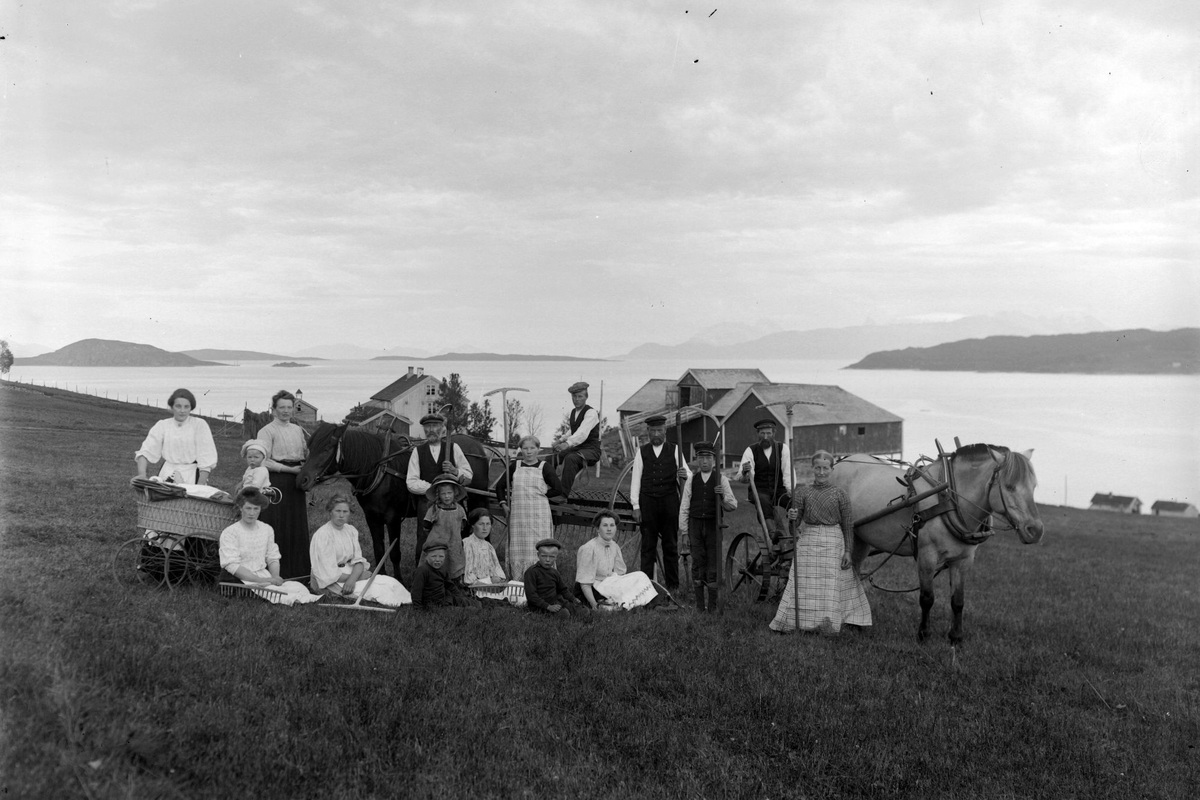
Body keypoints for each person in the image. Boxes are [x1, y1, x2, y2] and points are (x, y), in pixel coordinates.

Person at [770, 451, 872, 634]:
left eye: (825, 468)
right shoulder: (802, 493)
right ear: (812, 469)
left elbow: (848, 525)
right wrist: (792, 518)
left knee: (835, 583)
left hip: (834, 541)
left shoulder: (841, 495)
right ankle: (798, 621)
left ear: (832, 470)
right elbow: (794, 529)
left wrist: (848, 551)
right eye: (818, 468)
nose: (821, 472)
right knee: (803, 582)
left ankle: (835, 621)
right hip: (809, 540)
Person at [218, 488, 320, 606]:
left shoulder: (266, 529)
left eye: (256, 508)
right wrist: (261, 581)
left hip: (262, 575)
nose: (252, 513)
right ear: (241, 508)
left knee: (298, 588)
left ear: (261, 509)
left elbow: (272, 557)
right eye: (248, 508)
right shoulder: (230, 532)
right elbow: (232, 566)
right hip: (238, 578)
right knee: (279, 596)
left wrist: (275, 577)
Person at [309, 495, 411, 606]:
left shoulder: (350, 530)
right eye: (337, 511)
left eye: (345, 511)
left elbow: (358, 560)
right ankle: (400, 602)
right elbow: (327, 571)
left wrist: (354, 578)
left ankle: (408, 599)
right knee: (377, 591)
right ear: (330, 512)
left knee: (390, 582)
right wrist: (357, 578)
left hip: (351, 574)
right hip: (332, 581)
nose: (341, 515)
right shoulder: (323, 535)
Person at [630, 415, 690, 594]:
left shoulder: (675, 450)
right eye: (653, 431)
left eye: (660, 430)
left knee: (670, 545)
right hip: (647, 503)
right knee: (648, 546)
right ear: (648, 432)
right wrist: (635, 506)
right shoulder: (642, 452)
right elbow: (636, 480)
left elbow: (688, 474)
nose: (656, 434)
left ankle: (673, 586)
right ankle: (646, 587)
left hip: (670, 503)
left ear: (665, 431)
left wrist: (684, 473)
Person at [256, 390, 311, 580]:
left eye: (289, 407)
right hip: (275, 482)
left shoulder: (297, 430)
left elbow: (305, 452)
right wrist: (290, 470)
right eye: (282, 407)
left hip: (296, 483)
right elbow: (262, 461)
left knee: (296, 525)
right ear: (274, 410)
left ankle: (298, 573)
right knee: (277, 524)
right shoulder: (267, 430)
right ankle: (276, 573)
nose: (286, 411)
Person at [405, 413, 474, 562]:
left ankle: (454, 574)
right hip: (427, 504)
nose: (431, 430)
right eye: (427, 427)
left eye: (435, 426)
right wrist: (434, 488)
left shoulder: (453, 448)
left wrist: (455, 471)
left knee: (454, 536)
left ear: (442, 429)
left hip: (451, 504)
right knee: (425, 537)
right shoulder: (418, 451)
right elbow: (411, 481)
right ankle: (423, 572)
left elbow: (468, 476)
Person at [493, 435, 563, 577]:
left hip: (539, 515)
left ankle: (542, 576)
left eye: (532, 448)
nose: (529, 451)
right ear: (521, 450)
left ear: (538, 449)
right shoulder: (515, 466)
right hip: (519, 515)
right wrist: (503, 504)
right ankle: (519, 578)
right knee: (520, 547)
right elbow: (500, 486)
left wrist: (541, 495)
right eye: (525, 448)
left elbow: (558, 488)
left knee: (539, 546)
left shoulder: (545, 467)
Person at [679, 441, 737, 613]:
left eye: (708, 458)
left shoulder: (721, 479)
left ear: (715, 460)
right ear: (696, 460)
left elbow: (733, 505)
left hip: (714, 526)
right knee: (697, 562)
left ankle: (712, 607)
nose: (704, 461)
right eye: (701, 458)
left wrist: (722, 497)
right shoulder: (691, 480)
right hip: (695, 526)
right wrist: (684, 532)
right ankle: (699, 606)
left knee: (713, 564)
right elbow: (684, 507)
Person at [574, 510, 668, 611]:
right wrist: (594, 605)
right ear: (597, 529)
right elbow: (584, 583)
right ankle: (634, 605)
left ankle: (651, 603)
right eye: (605, 525)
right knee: (612, 599)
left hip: (608, 583)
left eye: (612, 525)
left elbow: (620, 573)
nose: (609, 529)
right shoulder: (588, 549)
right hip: (592, 587)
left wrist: (623, 584)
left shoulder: (614, 546)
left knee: (640, 575)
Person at [134, 388, 218, 485]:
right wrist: (142, 475)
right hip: (166, 474)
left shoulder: (199, 424)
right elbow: (146, 451)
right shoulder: (162, 425)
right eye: (178, 406)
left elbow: (206, 457)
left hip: (192, 475)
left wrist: (199, 486)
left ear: (191, 408)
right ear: (172, 407)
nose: (182, 410)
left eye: (186, 407)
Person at [738, 418, 792, 536]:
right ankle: (772, 533)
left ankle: (794, 532)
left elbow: (788, 472)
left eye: (768, 433)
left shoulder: (783, 449)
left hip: (779, 490)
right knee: (763, 501)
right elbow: (742, 479)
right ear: (758, 434)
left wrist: (790, 490)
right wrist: (744, 473)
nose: (766, 437)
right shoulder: (751, 450)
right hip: (759, 490)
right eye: (762, 433)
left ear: (774, 433)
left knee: (793, 502)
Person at [551, 381, 602, 496]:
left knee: (571, 458)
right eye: (574, 396)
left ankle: (562, 495)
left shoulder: (591, 413)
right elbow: (573, 430)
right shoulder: (574, 412)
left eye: (580, 396)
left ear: (586, 397)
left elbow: (582, 433)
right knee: (554, 457)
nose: (577, 399)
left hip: (591, 450)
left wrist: (567, 444)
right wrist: (560, 440)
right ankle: (549, 486)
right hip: (578, 447)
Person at [523, 539, 589, 619]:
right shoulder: (532, 572)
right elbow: (531, 596)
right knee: (564, 614)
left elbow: (563, 590)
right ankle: (538, 615)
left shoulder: (554, 572)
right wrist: (548, 606)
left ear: (556, 557)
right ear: (538, 555)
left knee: (584, 611)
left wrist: (573, 599)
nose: (547, 560)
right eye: (544, 556)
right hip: (539, 605)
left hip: (556, 601)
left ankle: (569, 611)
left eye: (551, 557)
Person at [420, 475, 469, 583]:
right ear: (438, 495)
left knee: (454, 563)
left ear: (454, 493)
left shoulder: (459, 509)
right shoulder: (435, 509)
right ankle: (432, 584)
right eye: (443, 494)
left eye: (449, 493)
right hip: (437, 541)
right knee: (437, 563)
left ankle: (454, 584)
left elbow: (462, 525)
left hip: (454, 542)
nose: (447, 496)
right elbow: (426, 526)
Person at [462, 508, 513, 603]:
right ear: (473, 525)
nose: (485, 528)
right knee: (508, 596)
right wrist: (484, 584)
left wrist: (497, 578)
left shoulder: (488, 546)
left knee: (515, 585)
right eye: (481, 524)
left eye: (488, 524)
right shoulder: (467, 544)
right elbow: (467, 574)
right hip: (477, 586)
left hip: (490, 583)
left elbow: (496, 568)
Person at [410, 542, 476, 610]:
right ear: (426, 556)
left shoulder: (442, 569)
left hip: (444, 599)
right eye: (434, 556)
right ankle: (467, 609)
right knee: (466, 610)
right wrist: (418, 608)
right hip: (432, 604)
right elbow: (416, 591)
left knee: (470, 602)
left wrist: (460, 597)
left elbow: (450, 585)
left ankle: (477, 603)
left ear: (445, 556)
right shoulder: (422, 571)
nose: (438, 560)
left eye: (441, 556)